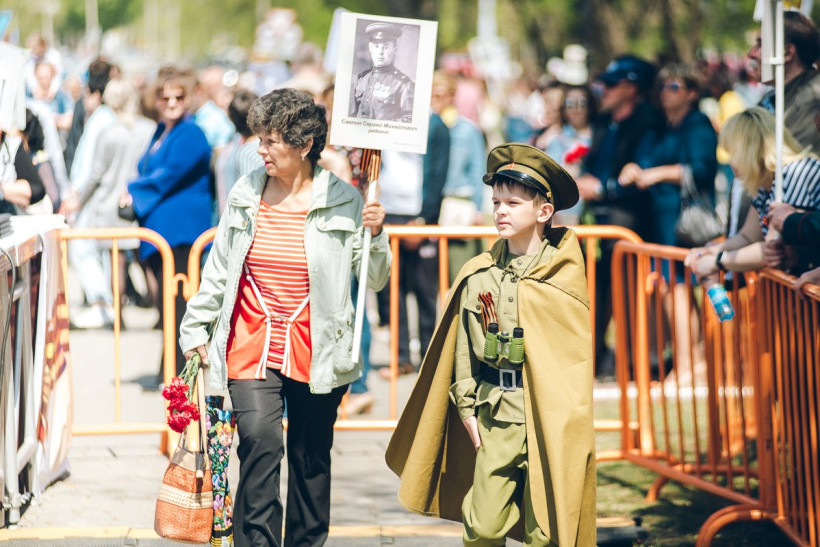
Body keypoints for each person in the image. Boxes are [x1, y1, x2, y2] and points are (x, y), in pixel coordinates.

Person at [178, 88, 391, 546]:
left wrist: (377, 234)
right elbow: (220, 268)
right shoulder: (246, 192)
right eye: (260, 138)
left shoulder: (344, 200)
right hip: (251, 343)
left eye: (271, 141)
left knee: (311, 459)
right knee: (260, 443)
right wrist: (195, 327)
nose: (261, 150)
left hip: (318, 348)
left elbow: (374, 279)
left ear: (304, 145)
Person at [386, 143, 596, 546]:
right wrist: (467, 405)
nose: (501, 211)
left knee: (546, 531)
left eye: (513, 203)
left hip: (549, 419)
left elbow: (571, 359)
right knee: (482, 525)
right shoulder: (479, 274)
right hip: (497, 416)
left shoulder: (562, 277)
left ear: (544, 212)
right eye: (496, 202)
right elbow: (463, 349)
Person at [128, 66, 213, 379]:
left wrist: (131, 193)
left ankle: (179, 373)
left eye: (178, 97)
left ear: (188, 99)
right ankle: (171, 368)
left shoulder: (191, 133)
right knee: (166, 303)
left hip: (181, 234)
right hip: (162, 231)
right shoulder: (162, 130)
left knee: (178, 305)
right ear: (157, 100)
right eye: (165, 97)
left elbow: (169, 174)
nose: (172, 102)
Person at [686, 107, 820, 282]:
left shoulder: (796, 173)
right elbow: (747, 236)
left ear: (749, 150)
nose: (730, 161)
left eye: (732, 153)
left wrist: (717, 261)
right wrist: (710, 250)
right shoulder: (766, 183)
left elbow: (778, 249)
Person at [748, 11, 820, 155]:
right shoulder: (772, 98)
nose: (751, 53)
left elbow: (790, 161)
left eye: (761, 44)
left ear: (787, 52)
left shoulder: (811, 100)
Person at [349, 22, 414, 122]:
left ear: (394, 50)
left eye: (386, 47)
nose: (380, 52)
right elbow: (351, 115)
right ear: (370, 47)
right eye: (376, 46)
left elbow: (409, 120)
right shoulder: (361, 78)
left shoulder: (404, 84)